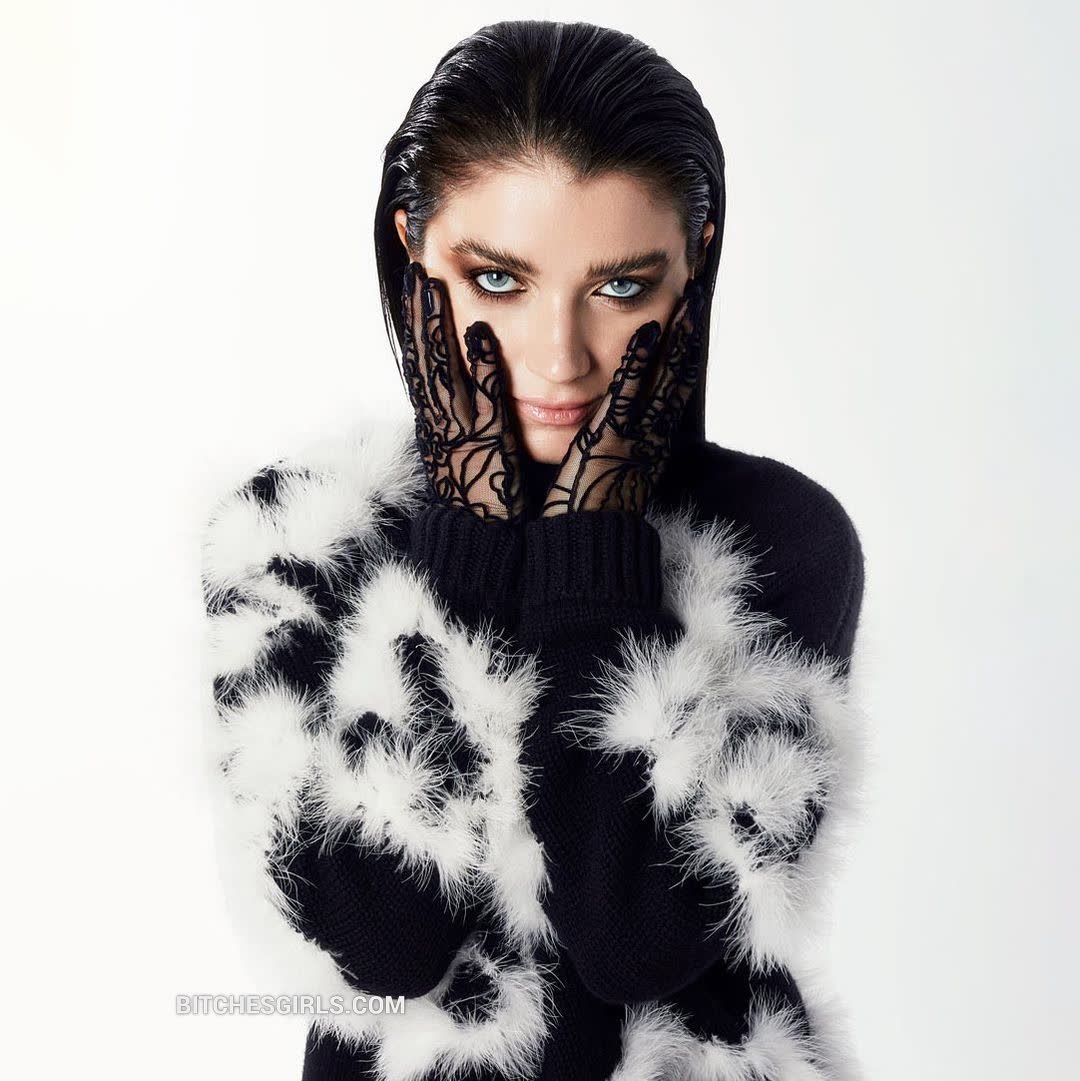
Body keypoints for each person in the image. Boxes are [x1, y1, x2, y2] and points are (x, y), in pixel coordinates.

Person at [200, 19, 867, 1081]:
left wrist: (593, 542)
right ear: (415, 250)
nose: (561, 358)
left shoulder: (776, 538)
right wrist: (465, 545)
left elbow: (634, 941)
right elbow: (384, 945)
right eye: (500, 281)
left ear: (693, 266)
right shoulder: (298, 536)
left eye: (620, 287)